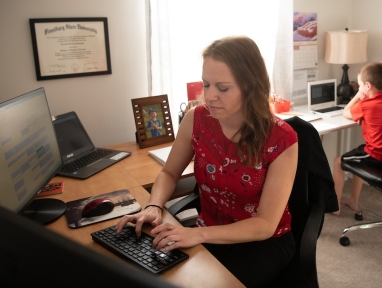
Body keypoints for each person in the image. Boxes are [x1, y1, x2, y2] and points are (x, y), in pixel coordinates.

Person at [117, 36, 299, 287]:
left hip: (262, 243)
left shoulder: (282, 138)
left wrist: (196, 233)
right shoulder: (197, 119)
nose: (210, 96)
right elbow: (169, 173)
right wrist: (154, 206)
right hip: (208, 231)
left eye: (222, 88)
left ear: (250, 87)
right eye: (206, 84)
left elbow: (265, 225)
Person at [332, 62, 382, 215]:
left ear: (368, 86)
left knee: (338, 161)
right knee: (358, 153)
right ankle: (353, 200)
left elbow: (346, 112)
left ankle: (335, 206)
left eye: (359, 86)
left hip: (379, 158)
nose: (359, 89)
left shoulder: (366, 105)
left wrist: (358, 97)